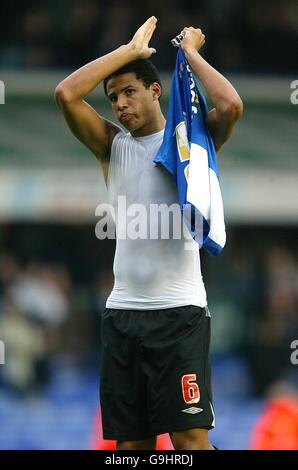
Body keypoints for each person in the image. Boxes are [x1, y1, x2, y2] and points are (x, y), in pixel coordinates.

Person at [55, 16, 243, 450]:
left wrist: (191, 55)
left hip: (179, 315)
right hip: (122, 316)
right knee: (131, 448)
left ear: (155, 90)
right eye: (113, 97)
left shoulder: (195, 140)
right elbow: (66, 93)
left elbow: (231, 106)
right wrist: (128, 52)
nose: (119, 104)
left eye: (129, 91)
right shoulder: (112, 146)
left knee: (189, 441)